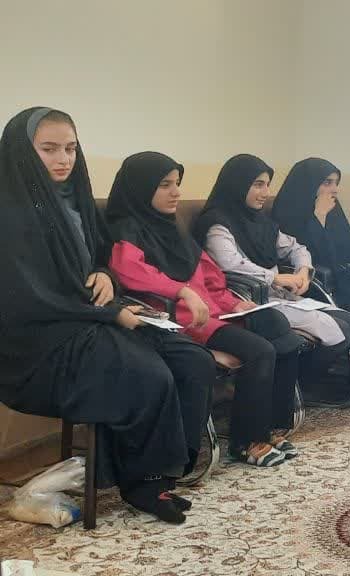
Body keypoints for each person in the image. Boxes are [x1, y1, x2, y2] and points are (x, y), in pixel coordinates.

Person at [0, 108, 212, 523]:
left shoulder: (75, 200)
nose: (64, 159)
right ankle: (142, 483)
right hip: (39, 340)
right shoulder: (10, 212)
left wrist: (105, 274)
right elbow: (29, 297)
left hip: (87, 317)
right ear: (22, 152)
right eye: (49, 149)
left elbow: (99, 257)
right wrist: (112, 315)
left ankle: (166, 472)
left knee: (192, 360)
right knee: (147, 374)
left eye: (70, 148)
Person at [107, 151, 306, 467]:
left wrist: (233, 302)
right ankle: (246, 441)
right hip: (182, 319)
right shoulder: (125, 229)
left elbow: (209, 278)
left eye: (177, 183)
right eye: (165, 185)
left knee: (281, 331)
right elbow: (131, 272)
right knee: (260, 350)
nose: (176, 192)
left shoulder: (173, 228)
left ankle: (271, 425)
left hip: (212, 312)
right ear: (141, 188)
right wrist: (181, 290)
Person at [194, 154, 350, 393]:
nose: (265, 193)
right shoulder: (216, 223)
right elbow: (230, 264)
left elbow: (295, 247)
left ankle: (297, 387)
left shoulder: (260, 221)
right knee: (340, 332)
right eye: (258, 185)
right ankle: (296, 388)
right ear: (238, 184)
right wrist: (276, 277)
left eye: (267, 185)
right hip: (249, 299)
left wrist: (303, 271)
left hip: (278, 295)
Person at [271, 157, 350, 401]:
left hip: (344, 277)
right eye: (327, 182)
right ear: (309, 184)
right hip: (317, 285)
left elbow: (348, 251)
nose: (334, 189)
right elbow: (315, 257)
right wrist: (318, 218)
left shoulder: (334, 210)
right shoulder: (288, 212)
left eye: (336, 183)